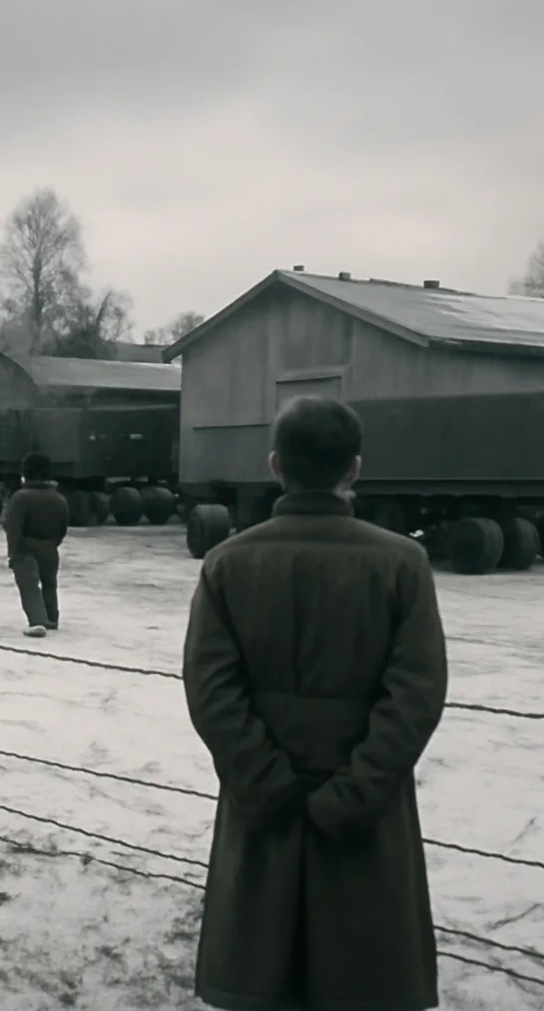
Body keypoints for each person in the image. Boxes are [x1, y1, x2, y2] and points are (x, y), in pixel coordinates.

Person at [182, 395, 448, 1011]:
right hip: (367, 818)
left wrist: (267, 784)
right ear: (353, 469)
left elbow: (211, 690)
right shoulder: (403, 563)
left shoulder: (228, 562)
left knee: (262, 972)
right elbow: (416, 694)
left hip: (261, 812)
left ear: (276, 465)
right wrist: (352, 795)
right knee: (362, 980)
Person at [3, 452, 70, 638]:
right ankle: (52, 617)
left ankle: (37, 621)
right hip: (50, 547)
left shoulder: (20, 497)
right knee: (49, 583)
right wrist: (52, 544)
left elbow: (13, 527)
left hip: (25, 547)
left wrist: (13, 553)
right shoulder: (59, 498)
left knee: (29, 585)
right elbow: (63, 527)